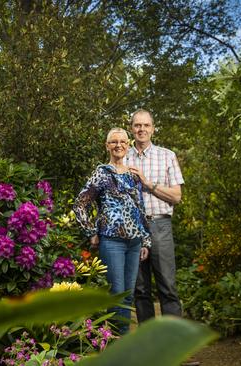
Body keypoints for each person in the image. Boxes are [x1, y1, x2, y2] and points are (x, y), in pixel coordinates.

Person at [73, 127, 151, 334]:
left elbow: (140, 209)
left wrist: (145, 240)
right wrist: (91, 231)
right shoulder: (101, 173)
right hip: (112, 241)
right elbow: (80, 203)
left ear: (128, 145)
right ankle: (118, 343)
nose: (119, 145)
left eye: (123, 142)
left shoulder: (134, 176)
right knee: (116, 293)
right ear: (107, 146)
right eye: (114, 142)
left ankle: (119, 341)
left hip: (135, 243)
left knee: (128, 294)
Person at [127, 109, 186, 320]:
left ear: (153, 128)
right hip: (133, 228)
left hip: (160, 226)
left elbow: (177, 196)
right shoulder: (122, 157)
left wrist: (148, 183)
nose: (141, 129)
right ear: (131, 129)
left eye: (146, 125)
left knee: (167, 286)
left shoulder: (167, 156)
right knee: (140, 290)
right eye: (137, 125)